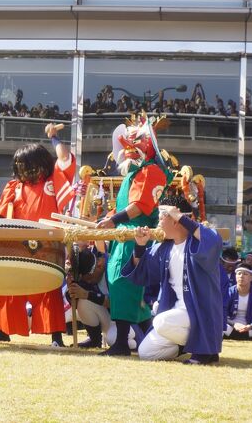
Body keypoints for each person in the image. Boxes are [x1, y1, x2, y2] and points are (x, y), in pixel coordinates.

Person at [0, 122, 75, 346]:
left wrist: (54, 138)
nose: (24, 170)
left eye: (28, 165)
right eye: (20, 166)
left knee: (48, 287)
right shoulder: (13, 186)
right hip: (16, 244)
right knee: (6, 286)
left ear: (41, 164)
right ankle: (4, 330)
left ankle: (55, 334)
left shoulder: (52, 180)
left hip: (46, 243)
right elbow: (0, 216)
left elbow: (64, 157)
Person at [95, 113, 171, 356]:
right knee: (122, 287)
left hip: (134, 235)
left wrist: (113, 220)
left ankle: (120, 345)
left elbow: (139, 206)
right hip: (123, 234)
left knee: (122, 283)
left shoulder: (150, 171)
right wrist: (110, 220)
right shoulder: (135, 173)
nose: (126, 151)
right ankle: (151, 339)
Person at [122, 196, 224, 364]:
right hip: (176, 315)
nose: (158, 221)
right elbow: (143, 272)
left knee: (161, 321)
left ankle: (204, 352)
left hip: (199, 313)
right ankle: (188, 348)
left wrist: (182, 217)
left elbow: (214, 241)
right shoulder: (164, 247)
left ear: (176, 219)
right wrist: (140, 246)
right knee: (146, 352)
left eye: (162, 216)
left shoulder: (196, 241)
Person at [65, 241, 110, 349]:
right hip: (109, 321)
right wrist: (71, 287)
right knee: (82, 303)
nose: (88, 282)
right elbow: (75, 305)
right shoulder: (87, 268)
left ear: (99, 265)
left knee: (113, 338)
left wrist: (87, 294)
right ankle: (94, 340)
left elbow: (115, 304)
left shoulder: (112, 269)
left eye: (89, 278)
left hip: (127, 321)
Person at [224, 264, 252, 340]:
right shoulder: (228, 292)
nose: (241, 276)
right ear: (235, 276)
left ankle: (236, 336)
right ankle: (244, 336)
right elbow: (222, 312)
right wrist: (234, 324)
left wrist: (251, 326)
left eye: (245, 274)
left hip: (249, 328)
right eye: (239, 273)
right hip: (231, 326)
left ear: (251, 278)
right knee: (217, 323)